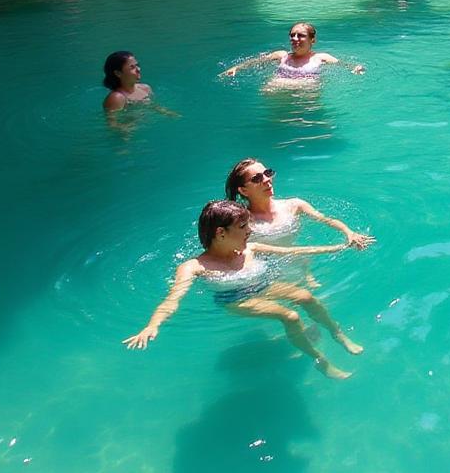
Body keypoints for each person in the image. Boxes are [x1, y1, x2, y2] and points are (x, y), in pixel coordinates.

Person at [122, 200, 365, 379]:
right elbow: (173, 299)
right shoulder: (194, 267)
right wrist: (153, 325)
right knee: (289, 316)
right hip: (235, 298)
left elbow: (294, 251)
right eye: (242, 226)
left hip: (262, 286)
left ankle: (337, 333)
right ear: (220, 233)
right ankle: (320, 360)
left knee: (306, 296)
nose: (249, 230)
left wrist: (340, 246)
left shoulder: (251, 249)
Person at [225, 158, 375, 250]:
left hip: (297, 260)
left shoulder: (294, 205)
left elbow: (325, 219)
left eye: (267, 173)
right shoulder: (242, 221)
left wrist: (349, 232)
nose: (266, 180)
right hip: (265, 271)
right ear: (243, 190)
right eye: (257, 178)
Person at [218, 22, 366, 84]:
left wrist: (355, 68)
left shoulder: (321, 58)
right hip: (279, 94)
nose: (295, 38)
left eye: (300, 35)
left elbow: (344, 65)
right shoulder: (281, 55)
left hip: (305, 97)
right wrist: (236, 68)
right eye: (292, 35)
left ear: (312, 40)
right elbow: (256, 61)